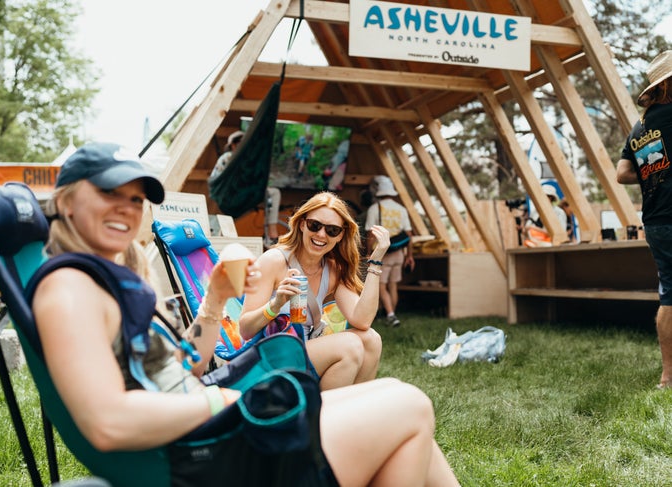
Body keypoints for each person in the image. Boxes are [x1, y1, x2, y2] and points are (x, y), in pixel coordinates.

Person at [31, 142, 460, 486]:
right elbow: (107, 424)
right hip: (202, 454)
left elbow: (188, 365)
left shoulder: (109, 281)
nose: (125, 207)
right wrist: (224, 399)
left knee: (395, 403)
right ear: (67, 202)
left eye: (135, 198)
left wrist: (215, 301)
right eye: (108, 192)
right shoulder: (69, 290)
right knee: (409, 406)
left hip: (205, 432)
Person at [239, 192, 387, 390]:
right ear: (302, 224)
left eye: (332, 230)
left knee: (371, 340)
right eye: (315, 225)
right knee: (350, 345)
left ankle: (353, 407)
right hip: (270, 355)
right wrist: (276, 304)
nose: (321, 235)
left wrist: (375, 262)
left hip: (305, 351)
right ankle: (322, 416)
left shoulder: (333, 269)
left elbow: (362, 320)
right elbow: (245, 329)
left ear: (341, 235)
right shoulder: (273, 261)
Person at [616, 50, 672, 390]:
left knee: (669, 295)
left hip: (655, 220)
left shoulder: (640, 127)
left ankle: (668, 377)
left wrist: (655, 168)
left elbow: (623, 172)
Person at [209, 130, 282, 245]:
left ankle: (271, 232)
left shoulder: (250, 160)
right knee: (226, 223)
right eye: (242, 143)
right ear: (233, 145)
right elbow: (216, 179)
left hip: (248, 193)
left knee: (274, 193)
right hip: (230, 195)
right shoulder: (227, 157)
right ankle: (220, 240)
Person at [364, 175, 415, 328]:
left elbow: (371, 235)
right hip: (399, 253)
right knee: (393, 285)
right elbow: (409, 235)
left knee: (381, 286)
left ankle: (391, 315)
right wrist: (410, 255)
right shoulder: (401, 209)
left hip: (383, 253)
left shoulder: (374, 208)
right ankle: (390, 314)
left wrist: (368, 252)